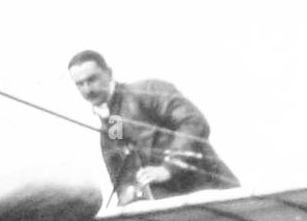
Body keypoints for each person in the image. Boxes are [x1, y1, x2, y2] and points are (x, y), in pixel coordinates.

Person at [67, 50, 239, 206]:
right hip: (172, 207)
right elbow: (123, 163)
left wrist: (168, 168)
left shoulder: (146, 92)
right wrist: (130, 196)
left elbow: (192, 122)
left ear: (109, 73)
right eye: (80, 84)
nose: (87, 90)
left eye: (92, 79)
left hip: (211, 194)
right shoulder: (113, 121)